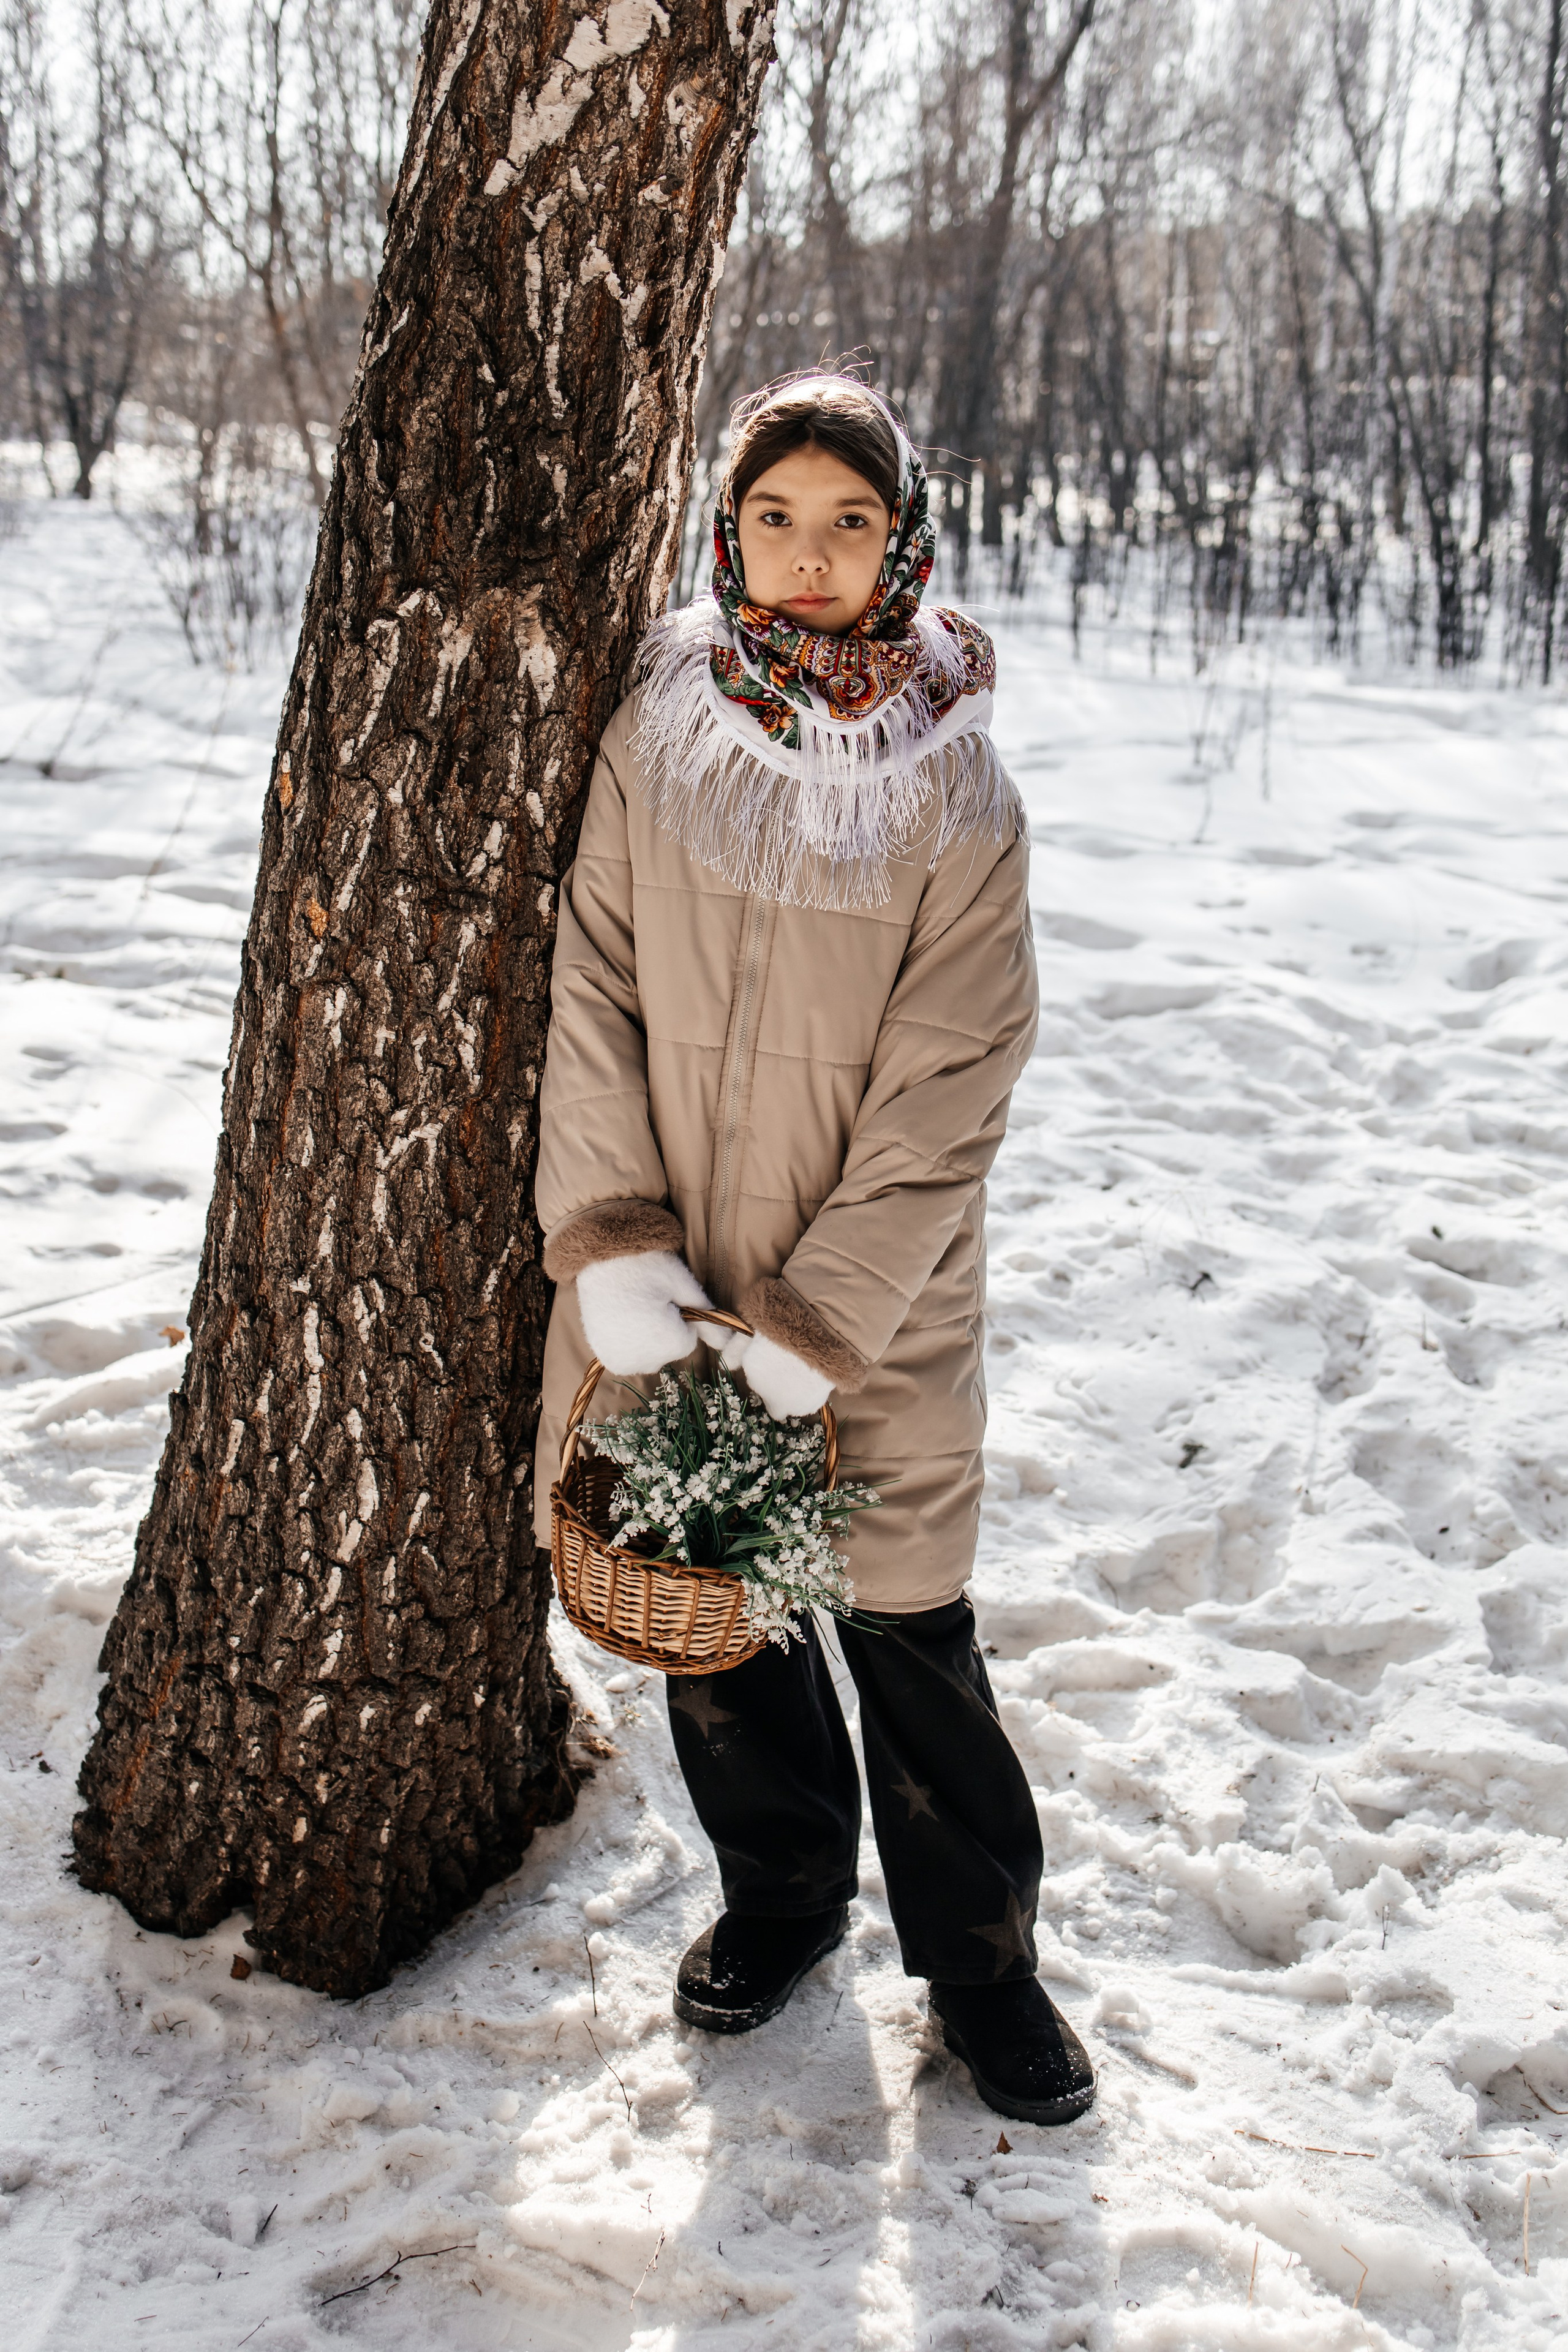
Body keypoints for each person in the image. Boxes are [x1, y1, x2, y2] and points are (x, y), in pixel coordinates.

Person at [532, 374, 1095, 2128]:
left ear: (903, 542)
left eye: (850, 521)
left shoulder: (957, 788)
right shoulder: (662, 732)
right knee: (722, 1631)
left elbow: (953, 1080)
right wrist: (619, 1241)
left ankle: (987, 1967)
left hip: (881, 1311)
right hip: (674, 1282)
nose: (808, 555)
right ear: (730, 526)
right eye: (775, 516)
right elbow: (595, 985)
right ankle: (779, 1901)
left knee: (911, 1634)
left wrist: (823, 1318)